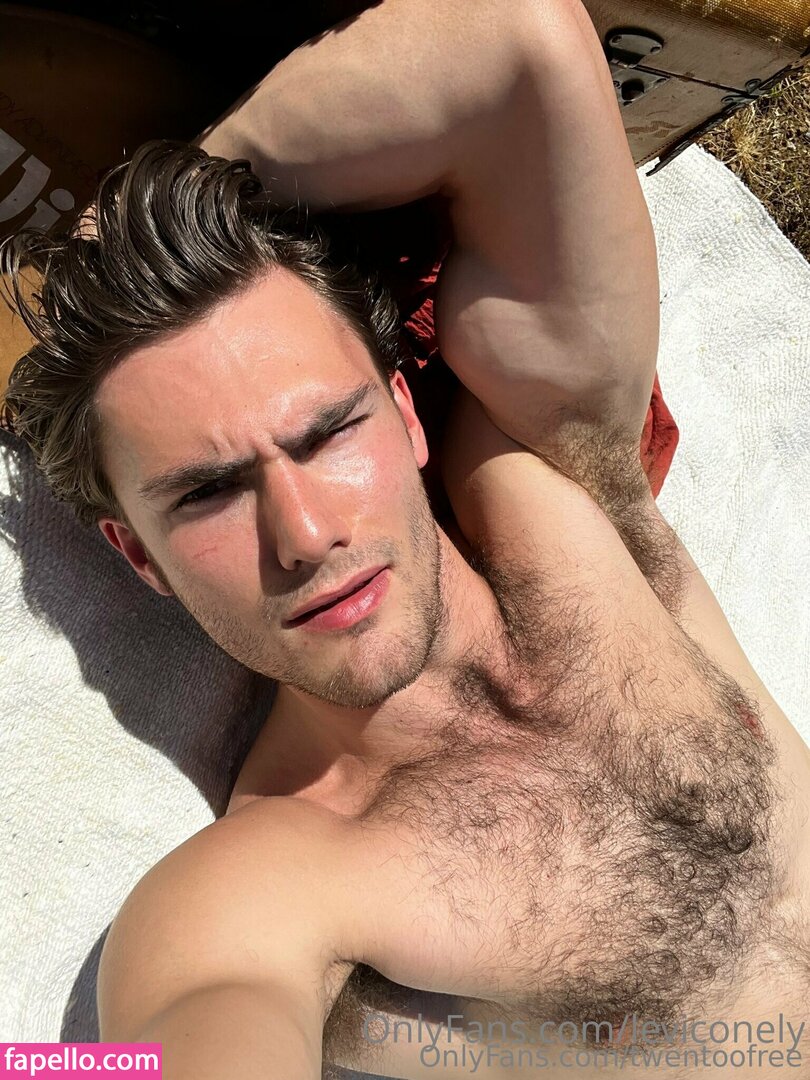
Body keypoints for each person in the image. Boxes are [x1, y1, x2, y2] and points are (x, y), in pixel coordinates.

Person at [3, 0, 809, 1076]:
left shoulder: (553, 480)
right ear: (137, 554)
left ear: (406, 413)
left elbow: (520, 41)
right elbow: (197, 1026)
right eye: (208, 493)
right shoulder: (274, 878)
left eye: (329, 433)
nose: (305, 534)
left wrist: (146, 217)